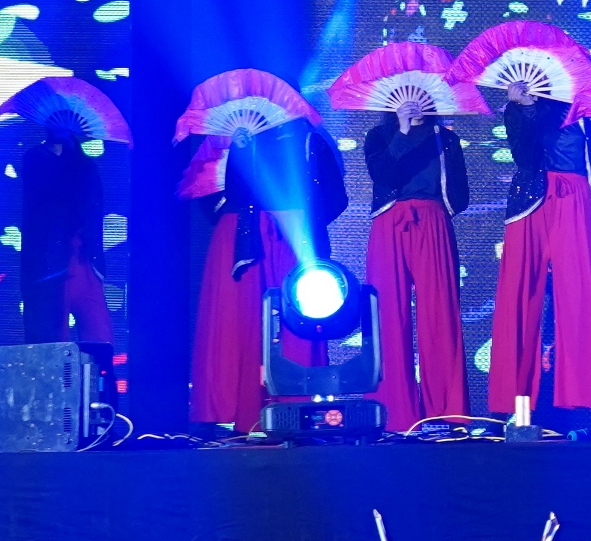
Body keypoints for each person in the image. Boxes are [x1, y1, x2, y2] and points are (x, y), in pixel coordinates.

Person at [190, 117, 346, 432]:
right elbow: (228, 195)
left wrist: (306, 221)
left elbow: (335, 197)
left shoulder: (310, 141)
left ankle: (300, 409)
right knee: (246, 318)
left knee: (298, 316)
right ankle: (243, 413)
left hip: (295, 235)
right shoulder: (239, 138)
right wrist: (240, 151)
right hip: (249, 237)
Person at [487, 87, 591, 417]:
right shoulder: (520, 108)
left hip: (575, 197)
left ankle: (583, 400)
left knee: (579, 296)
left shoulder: (590, 111)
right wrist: (525, 108)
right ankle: (511, 403)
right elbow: (524, 158)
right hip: (531, 199)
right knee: (519, 296)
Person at [363, 100, 470, 434]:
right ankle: (393, 414)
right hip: (389, 223)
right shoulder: (379, 135)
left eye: (422, 97)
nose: (415, 103)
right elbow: (382, 175)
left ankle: (446, 414)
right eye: (408, 98)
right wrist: (403, 130)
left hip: (432, 222)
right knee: (388, 315)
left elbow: (461, 192)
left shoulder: (445, 137)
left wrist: (435, 212)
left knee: (440, 315)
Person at [18, 129, 112, 345]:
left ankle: (100, 367)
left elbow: (94, 206)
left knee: (99, 336)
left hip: (85, 259)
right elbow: (45, 201)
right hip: (48, 264)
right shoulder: (36, 158)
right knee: (50, 340)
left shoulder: (85, 165)